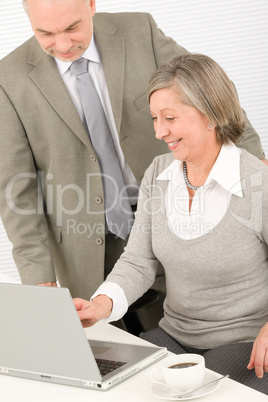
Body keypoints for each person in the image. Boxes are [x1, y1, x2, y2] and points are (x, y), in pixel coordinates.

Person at [0, 0, 266, 331]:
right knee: (116, 356)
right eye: (45, 33)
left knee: (191, 330)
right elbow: (17, 190)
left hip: (172, 212)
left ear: (91, 5)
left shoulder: (140, 32)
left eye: (72, 28)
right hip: (84, 242)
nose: (64, 45)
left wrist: (255, 169)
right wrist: (39, 282)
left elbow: (208, 94)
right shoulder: (8, 78)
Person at [73, 54, 268, 394]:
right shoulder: (159, 174)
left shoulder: (257, 182)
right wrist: (99, 305)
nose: (159, 131)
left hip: (244, 341)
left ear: (211, 114)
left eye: (170, 118)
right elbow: (138, 261)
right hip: (174, 335)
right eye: (154, 118)